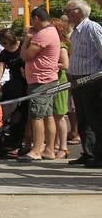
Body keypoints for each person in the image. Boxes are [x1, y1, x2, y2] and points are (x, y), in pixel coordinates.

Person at [18, 7, 60, 162]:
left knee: (36, 116)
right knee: (48, 115)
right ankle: (48, 149)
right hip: (47, 78)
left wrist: (27, 39)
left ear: (36, 19)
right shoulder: (52, 31)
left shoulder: (42, 35)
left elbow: (26, 56)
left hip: (40, 81)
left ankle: (36, 150)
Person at [63, 0, 102, 167]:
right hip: (78, 80)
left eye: (69, 10)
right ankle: (88, 152)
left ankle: (98, 155)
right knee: (83, 118)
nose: (66, 13)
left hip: (92, 79)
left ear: (78, 11)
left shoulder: (92, 28)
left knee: (95, 118)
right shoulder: (76, 32)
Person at [50, 18, 71, 160]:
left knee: (60, 115)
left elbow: (65, 65)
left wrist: (51, 64)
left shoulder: (61, 46)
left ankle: (63, 147)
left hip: (60, 82)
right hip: (52, 81)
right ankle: (56, 145)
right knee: (54, 115)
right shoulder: (54, 45)